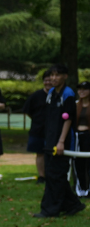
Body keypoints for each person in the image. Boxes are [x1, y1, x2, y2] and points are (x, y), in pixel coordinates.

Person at [34, 64, 83, 218]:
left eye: (57, 75)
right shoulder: (50, 94)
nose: (53, 78)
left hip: (63, 142)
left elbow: (68, 120)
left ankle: (50, 210)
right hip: (50, 141)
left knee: (56, 175)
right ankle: (73, 204)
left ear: (65, 77)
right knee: (52, 175)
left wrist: (61, 141)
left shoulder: (68, 94)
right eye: (52, 75)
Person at [24, 70, 53, 182]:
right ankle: (42, 176)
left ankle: (51, 175)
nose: (48, 83)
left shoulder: (57, 95)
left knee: (51, 153)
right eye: (46, 80)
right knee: (39, 153)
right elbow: (28, 111)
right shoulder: (36, 96)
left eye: (50, 80)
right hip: (37, 130)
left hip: (52, 131)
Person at [74, 81, 90, 198]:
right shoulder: (76, 105)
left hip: (89, 136)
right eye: (80, 89)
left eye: (85, 89)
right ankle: (81, 189)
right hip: (78, 136)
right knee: (78, 163)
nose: (82, 91)